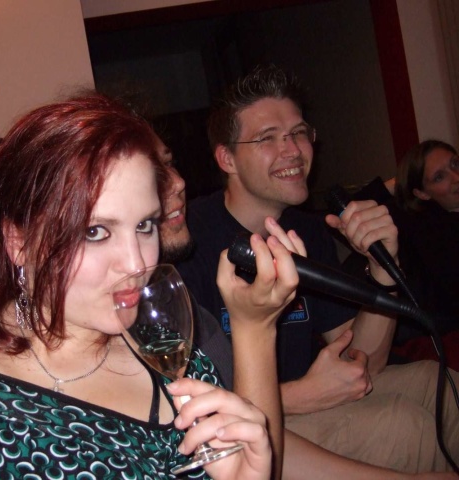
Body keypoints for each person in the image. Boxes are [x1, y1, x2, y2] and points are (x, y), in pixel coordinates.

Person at [0, 92, 298, 479]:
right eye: (96, 231)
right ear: (18, 242)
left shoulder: (173, 365)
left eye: (145, 225)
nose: (137, 263)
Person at [175, 64, 459, 473]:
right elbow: (185, 398)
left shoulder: (306, 228)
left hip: (307, 398)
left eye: (298, 132)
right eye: (268, 138)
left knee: (437, 383)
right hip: (243, 429)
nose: (293, 150)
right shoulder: (190, 240)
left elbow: (363, 360)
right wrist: (300, 394)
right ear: (227, 158)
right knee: (404, 427)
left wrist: (383, 265)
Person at [348, 140, 459, 368]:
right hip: (424, 326)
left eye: (455, 164)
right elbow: (346, 211)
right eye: (439, 177)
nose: (456, 177)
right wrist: (398, 183)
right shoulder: (419, 221)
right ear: (422, 193)